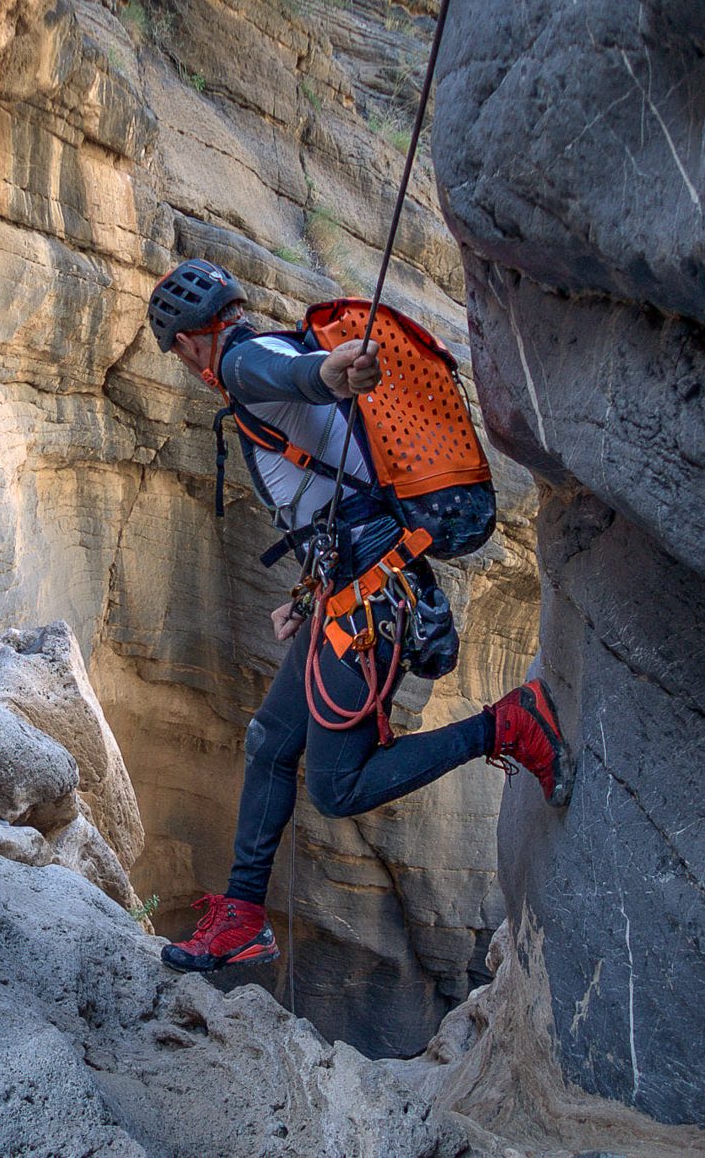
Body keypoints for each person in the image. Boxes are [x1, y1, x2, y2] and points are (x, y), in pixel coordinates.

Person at [147, 258, 574, 973]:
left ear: (190, 342)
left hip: (370, 594)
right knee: (270, 740)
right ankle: (243, 915)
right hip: (352, 585)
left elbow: (293, 379)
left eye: (181, 353)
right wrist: (305, 598)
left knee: (338, 786)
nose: (188, 366)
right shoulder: (273, 347)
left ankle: (508, 724)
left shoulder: (246, 363)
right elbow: (335, 494)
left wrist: (330, 372)